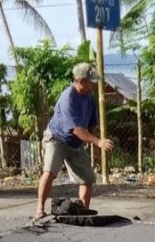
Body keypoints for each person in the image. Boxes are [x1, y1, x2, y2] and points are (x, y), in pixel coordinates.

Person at [35, 62, 115, 218]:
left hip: (75, 143)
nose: (94, 85)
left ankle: (83, 212)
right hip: (56, 139)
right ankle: (39, 209)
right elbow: (77, 130)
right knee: (50, 172)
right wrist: (98, 142)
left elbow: (91, 126)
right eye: (92, 82)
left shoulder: (89, 98)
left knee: (88, 178)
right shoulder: (68, 98)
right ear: (82, 81)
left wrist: (97, 148)